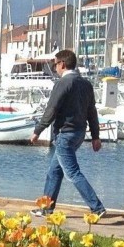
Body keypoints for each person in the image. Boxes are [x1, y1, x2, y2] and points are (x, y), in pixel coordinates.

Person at [29, 49, 106, 218]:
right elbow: (92, 112)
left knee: (72, 173)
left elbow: (52, 109)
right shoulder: (86, 84)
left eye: (55, 64)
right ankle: (46, 208)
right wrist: (95, 136)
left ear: (62, 64)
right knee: (54, 171)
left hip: (65, 134)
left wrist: (37, 131)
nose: (54, 68)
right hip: (78, 134)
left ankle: (97, 208)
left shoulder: (63, 83)